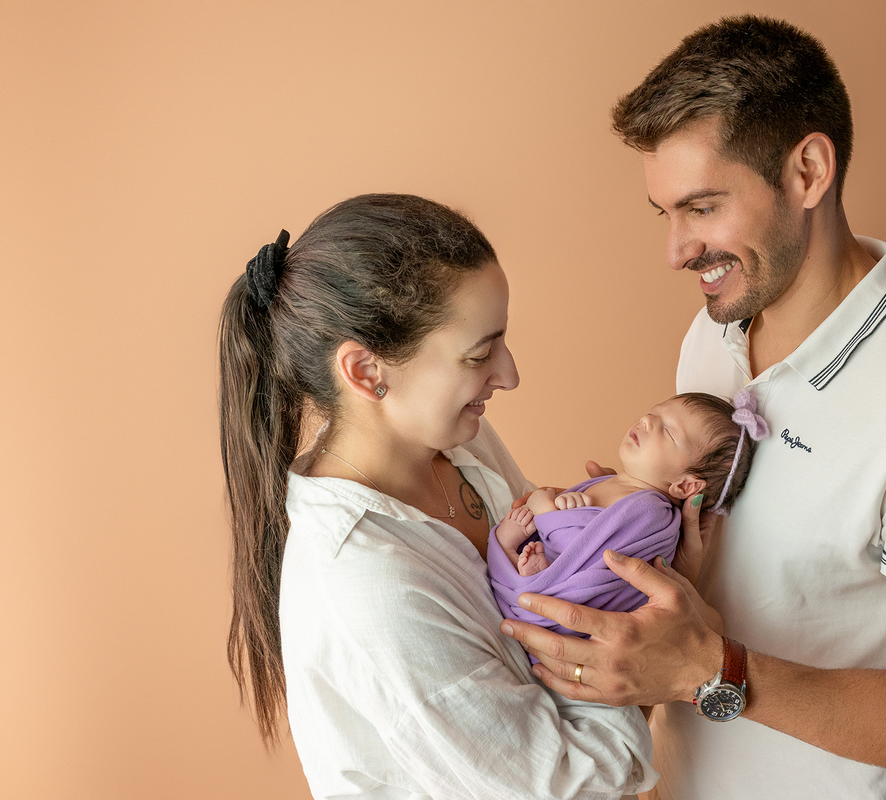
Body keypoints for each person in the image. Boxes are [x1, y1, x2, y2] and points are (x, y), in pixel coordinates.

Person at [499, 16, 886, 799]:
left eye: (703, 207)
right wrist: (621, 523)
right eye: (667, 214)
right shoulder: (713, 334)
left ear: (809, 171)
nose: (676, 250)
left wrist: (705, 668)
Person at [217, 194, 655, 799]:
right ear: (368, 373)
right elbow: (567, 786)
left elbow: (556, 589)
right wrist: (652, 653)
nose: (509, 374)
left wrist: (615, 518)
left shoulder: (458, 444)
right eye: (479, 354)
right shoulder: (367, 584)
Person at [489, 392, 766, 638]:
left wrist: (546, 508)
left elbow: (592, 561)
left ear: (685, 486)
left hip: (565, 610)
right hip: (551, 578)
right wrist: (568, 507)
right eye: (655, 411)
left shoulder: (652, 511)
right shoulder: (619, 486)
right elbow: (587, 541)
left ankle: (535, 575)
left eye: (668, 431)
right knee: (508, 534)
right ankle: (530, 570)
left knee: (508, 536)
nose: (647, 419)